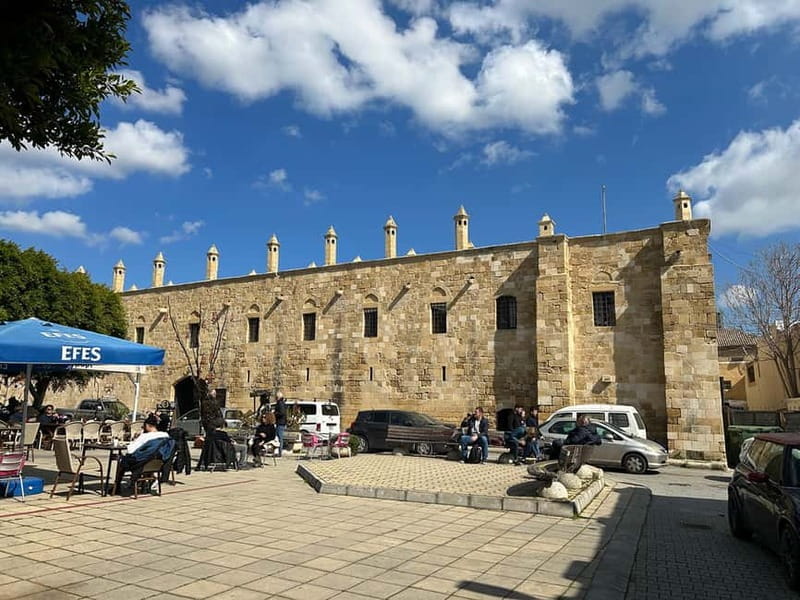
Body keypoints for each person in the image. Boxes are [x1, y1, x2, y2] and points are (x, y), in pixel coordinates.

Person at [114, 414, 171, 494]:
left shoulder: (145, 436)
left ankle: (116, 487)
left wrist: (132, 443)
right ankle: (146, 484)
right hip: (157, 464)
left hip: (142, 463)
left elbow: (130, 450)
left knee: (122, 461)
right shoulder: (165, 436)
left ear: (148, 425)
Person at [273, 391, 286, 458]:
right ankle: (277, 451)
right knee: (277, 438)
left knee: (279, 438)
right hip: (280, 422)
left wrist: (275, 413)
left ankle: (279, 452)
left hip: (280, 423)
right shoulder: (280, 403)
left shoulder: (280, 403)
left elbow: (282, 413)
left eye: (276, 397)